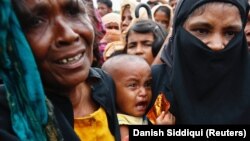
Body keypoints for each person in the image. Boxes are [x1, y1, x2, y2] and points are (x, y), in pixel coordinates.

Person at [0, 0, 121, 141]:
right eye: (36, 21)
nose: (69, 35)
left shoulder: (103, 83)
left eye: (73, 11)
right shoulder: (9, 118)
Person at [151, 0, 250, 124]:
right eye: (202, 31)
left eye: (230, 33)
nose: (217, 45)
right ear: (179, 29)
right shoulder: (158, 82)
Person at [102, 54, 175, 140]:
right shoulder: (121, 124)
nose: (143, 92)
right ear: (111, 89)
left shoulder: (141, 116)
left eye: (147, 84)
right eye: (133, 85)